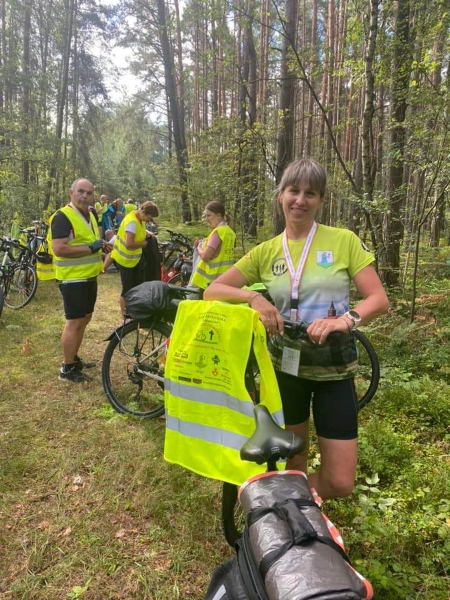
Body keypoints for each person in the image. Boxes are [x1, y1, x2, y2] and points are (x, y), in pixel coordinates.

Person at [204, 158, 389, 500]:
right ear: (281, 196)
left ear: (321, 200)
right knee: (294, 463)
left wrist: (345, 319)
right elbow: (212, 290)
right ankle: (296, 517)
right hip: (285, 371)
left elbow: (378, 299)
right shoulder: (266, 251)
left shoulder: (343, 241)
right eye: (293, 191)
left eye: (310, 193)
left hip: (334, 370)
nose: (300, 200)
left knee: (339, 482)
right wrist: (253, 299)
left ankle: (288, 498)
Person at [50, 178, 106, 383]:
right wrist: (90, 248)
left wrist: (99, 247)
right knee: (74, 322)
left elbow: (86, 241)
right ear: (70, 193)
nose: (85, 196)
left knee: (85, 318)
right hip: (72, 279)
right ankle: (67, 368)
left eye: (89, 193)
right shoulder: (62, 217)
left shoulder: (90, 213)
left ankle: (73, 357)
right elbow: (59, 248)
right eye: (81, 191)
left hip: (88, 275)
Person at [110, 201, 158, 316]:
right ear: (143, 212)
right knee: (127, 288)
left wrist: (147, 232)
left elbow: (139, 228)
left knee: (134, 286)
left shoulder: (137, 217)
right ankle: (124, 316)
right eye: (148, 217)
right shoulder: (132, 222)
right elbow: (129, 243)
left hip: (133, 260)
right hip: (125, 260)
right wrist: (144, 244)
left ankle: (133, 311)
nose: (148, 220)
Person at [189, 201, 236, 290]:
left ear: (218, 215)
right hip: (225, 278)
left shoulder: (218, 232)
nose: (206, 219)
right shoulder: (230, 232)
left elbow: (206, 256)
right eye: (205, 216)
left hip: (210, 280)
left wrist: (199, 246)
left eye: (209, 215)